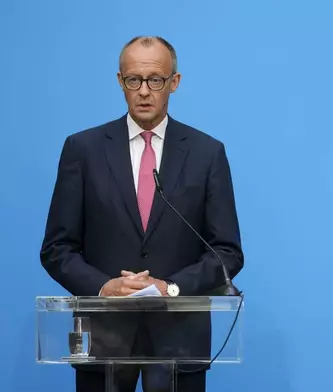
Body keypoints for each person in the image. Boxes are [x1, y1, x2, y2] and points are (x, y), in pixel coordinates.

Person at [40, 36, 244, 392]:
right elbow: (57, 249)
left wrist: (172, 288)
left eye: (156, 80)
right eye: (134, 80)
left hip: (179, 341)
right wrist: (104, 287)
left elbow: (227, 252)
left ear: (174, 83)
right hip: (104, 339)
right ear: (120, 81)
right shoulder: (82, 150)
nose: (144, 91)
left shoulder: (207, 153)